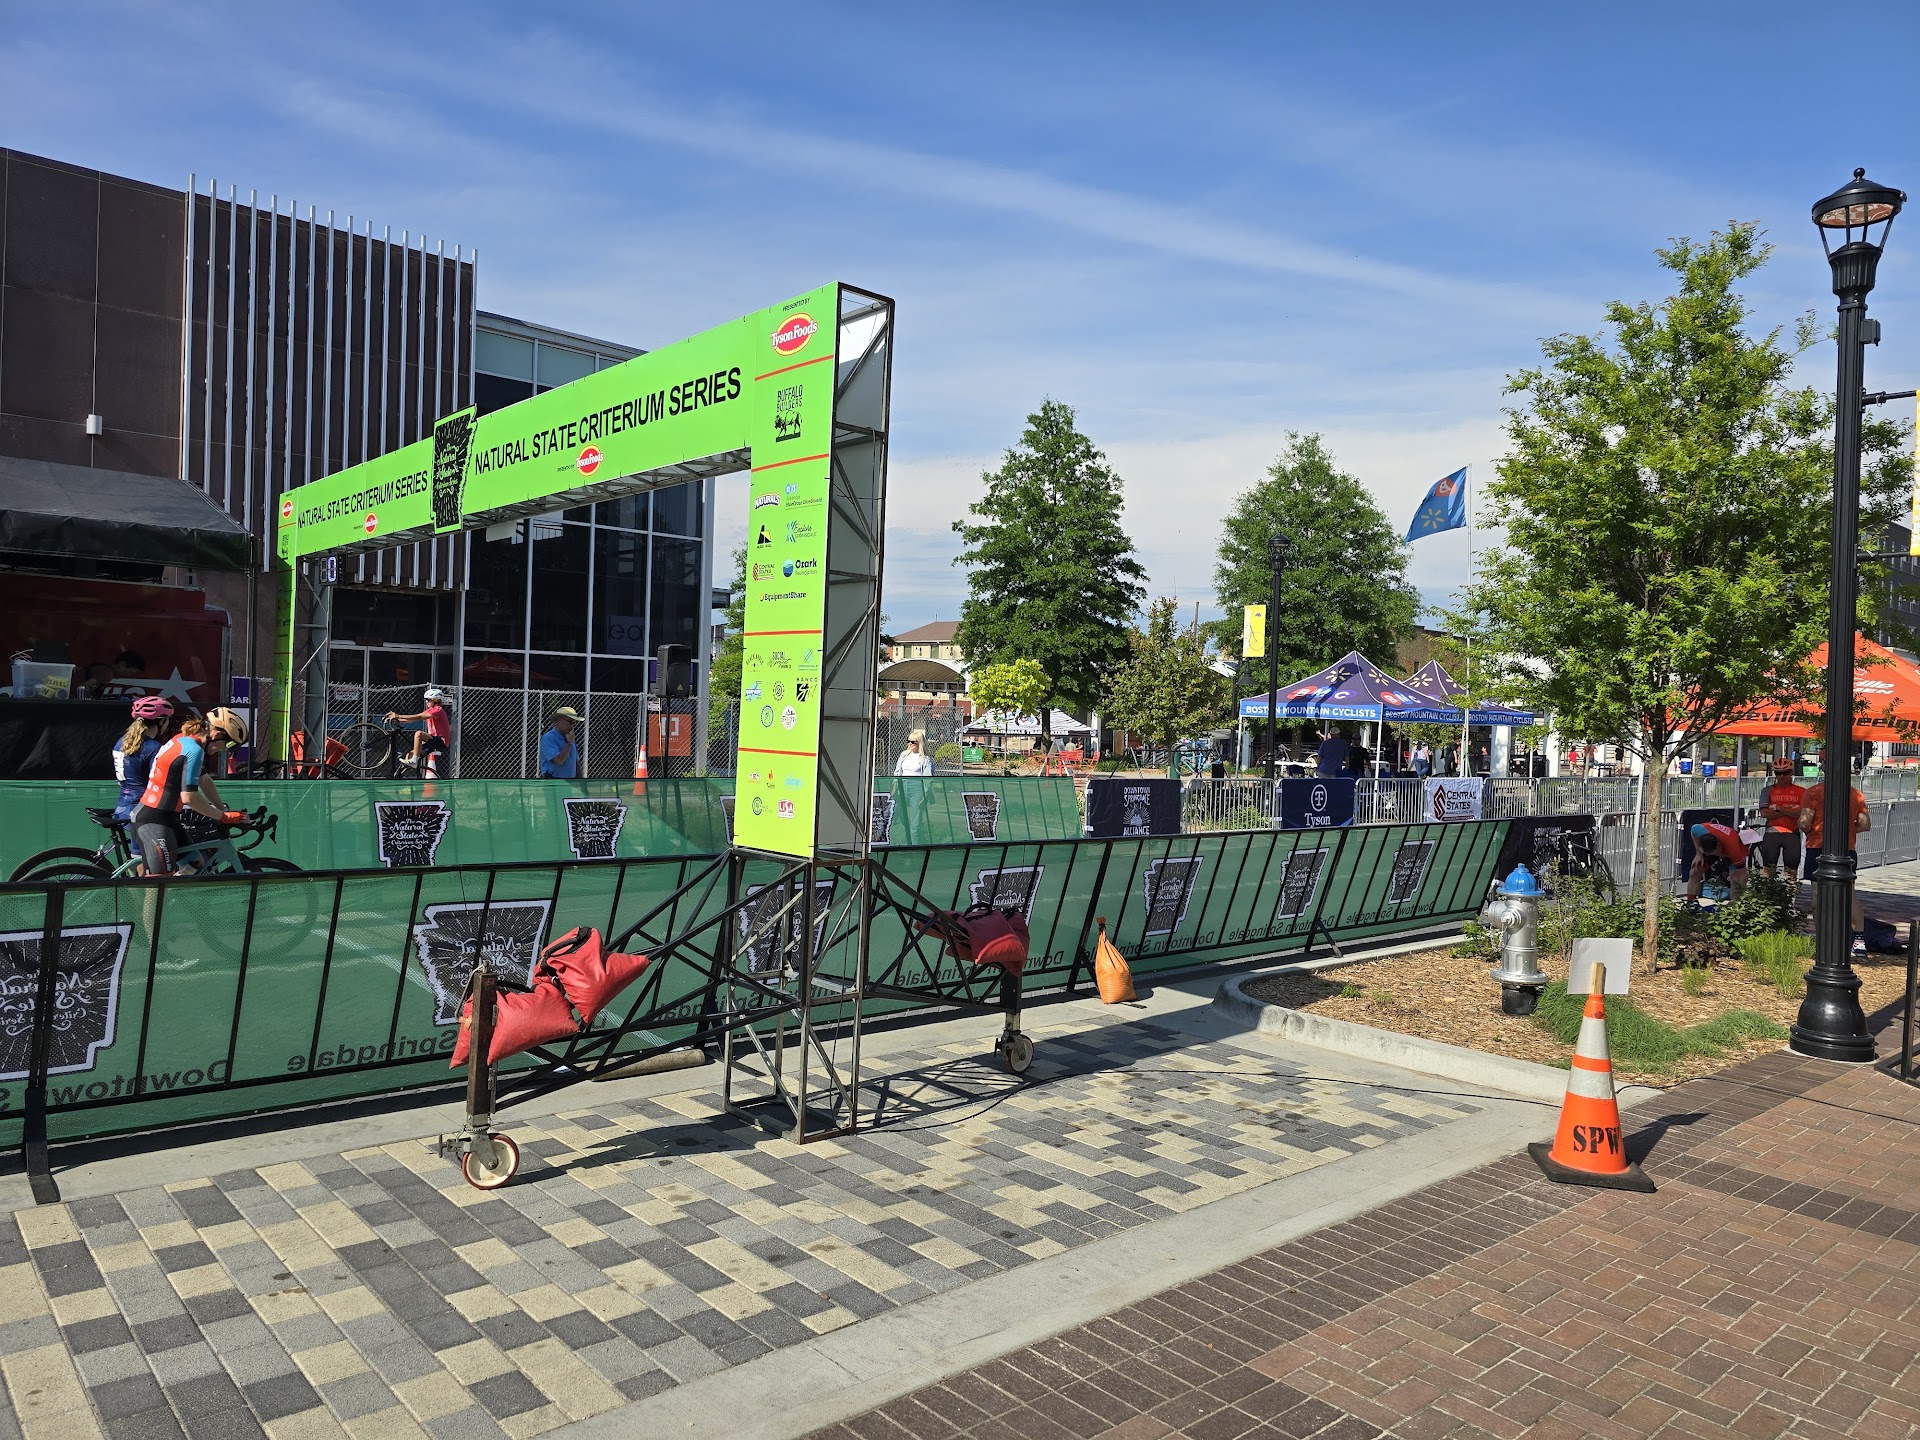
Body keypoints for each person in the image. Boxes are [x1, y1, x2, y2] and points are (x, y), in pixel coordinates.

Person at [130, 708, 248, 875]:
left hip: (165, 818)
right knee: (159, 885)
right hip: (154, 821)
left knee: (194, 864)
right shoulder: (194, 750)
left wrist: (222, 809)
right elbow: (189, 798)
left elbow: (204, 781)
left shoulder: (185, 740)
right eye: (229, 744)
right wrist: (223, 817)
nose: (225, 750)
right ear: (216, 735)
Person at [1801, 777, 1872, 954]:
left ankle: (1822, 939)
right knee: (1850, 894)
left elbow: (1804, 822)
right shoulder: (1855, 794)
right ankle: (1859, 940)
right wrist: (1848, 830)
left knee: (1818, 894)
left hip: (1818, 846)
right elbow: (1865, 824)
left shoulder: (1813, 792)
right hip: (1846, 848)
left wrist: (1810, 829)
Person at [111, 696, 174, 821]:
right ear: (162, 721)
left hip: (123, 808)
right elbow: (162, 782)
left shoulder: (121, 742)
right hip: (143, 812)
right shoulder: (153, 747)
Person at [1752, 760, 1806, 883]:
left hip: (1792, 833)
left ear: (1791, 772)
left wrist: (1778, 808)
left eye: (1785, 772)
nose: (1782, 776)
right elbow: (1764, 813)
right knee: (1768, 870)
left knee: (1791, 872)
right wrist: (1790, 811)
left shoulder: (1801, 791)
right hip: (1772, 832)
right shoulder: (1767, 790)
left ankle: (1790, 894)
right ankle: (1768, 893)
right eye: (1778, 773)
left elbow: (1801, 814)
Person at [386, 687, 452, 775]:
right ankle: (400, 776)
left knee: (419, 734)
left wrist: (398, 716)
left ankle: (414, 760)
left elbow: (419, 716)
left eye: (428, 700)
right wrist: (396, 720)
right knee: (409, 755)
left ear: (435, 700)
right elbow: (413, 719)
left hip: (440, 741)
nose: (426, 702)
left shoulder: (438, 710)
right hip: (432, 741)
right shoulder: (430, 710)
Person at [1687, 820, 1749, 903]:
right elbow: (1693, 832)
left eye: (1711, 853)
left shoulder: (1733, 849)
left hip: (1733, 847)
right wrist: (1699, 854)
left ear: (1718, 846)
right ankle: (1690, 903)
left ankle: (1735, 904)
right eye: (1706, 853)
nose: (1708, 855)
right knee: (1694, 872)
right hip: (1716, 843)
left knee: (1736, 879)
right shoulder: (1698, 830)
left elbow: (1743, 874)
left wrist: (1740, 890)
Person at [538, 707, 582, 778]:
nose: (572, 726)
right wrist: (569, 743)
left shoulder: (570, 738)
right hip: (553, 781)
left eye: (574, 723)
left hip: (569, 781)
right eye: (570, 721)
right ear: (559, 720)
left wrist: (582, 783)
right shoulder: (548, 738)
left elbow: (575, 762)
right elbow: (559, 761)